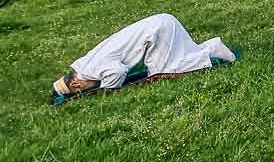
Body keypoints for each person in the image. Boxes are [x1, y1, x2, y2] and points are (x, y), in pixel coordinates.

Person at [53, 13, 235, 99]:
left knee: (168, 71)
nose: (84, 90)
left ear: (76, 83)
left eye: (79, 90)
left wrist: (107, 92)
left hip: (159, 31)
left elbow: (117, 71)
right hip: (160, 24)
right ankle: (211, 48)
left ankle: (214, 49)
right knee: (178, 57)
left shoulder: (91, 68)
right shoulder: (87, 63)